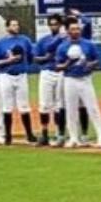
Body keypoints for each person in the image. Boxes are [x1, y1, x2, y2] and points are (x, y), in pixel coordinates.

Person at [53, 19, 101, 149]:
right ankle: (73, 138)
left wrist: (91, 65)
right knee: (71, 110)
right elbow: (57, 66)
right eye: (73, 29)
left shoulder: (88, 44)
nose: (76, 31)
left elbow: (97, 61)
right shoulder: (62, 47)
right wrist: (66, 64)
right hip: (70, 79)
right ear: (67, 31)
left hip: (85, 79)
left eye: (77, 29)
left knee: (92, 107)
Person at [0, 19, 37, 144]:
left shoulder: (25, 40)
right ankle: (8, 136)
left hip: (21, 75)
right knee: (7, 106)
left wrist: (24, 64)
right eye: (13, 25)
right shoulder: (1, 43)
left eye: (17, 24)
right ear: (7, 27)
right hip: (6, 76)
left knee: (24, 105)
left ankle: (29, 134)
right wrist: (10, 60)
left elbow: (30, 56)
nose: (16, 27)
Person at [33, 14, 68, 145]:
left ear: (60, 25)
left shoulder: (65, 40)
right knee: (44, 104)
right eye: (51, 24)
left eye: (56, 24)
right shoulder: (43, 40)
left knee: (59, 105)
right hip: (46, 72)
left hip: (60, 73)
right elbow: (36, 58)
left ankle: (60, 134)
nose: (53, 26)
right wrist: (47, 57)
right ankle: (44, 134)